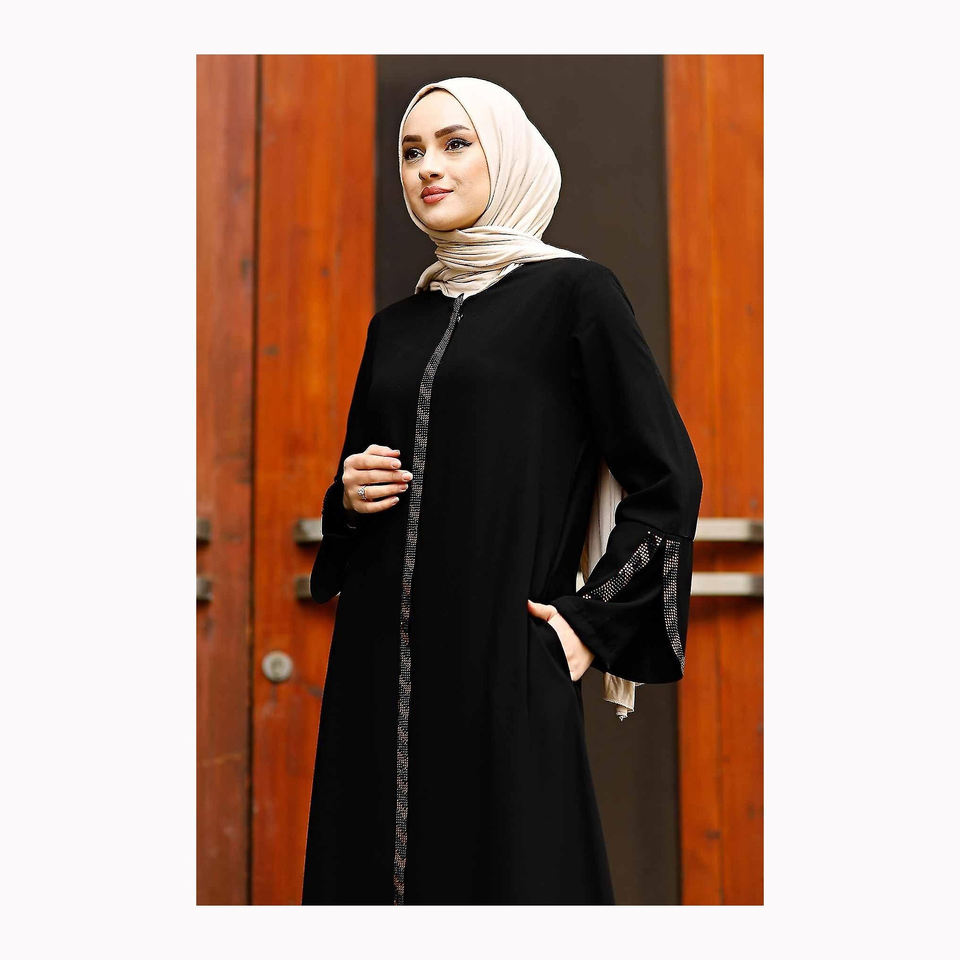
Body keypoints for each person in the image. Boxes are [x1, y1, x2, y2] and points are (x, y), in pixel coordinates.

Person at [301, 77, 703, 906]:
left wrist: (587, 627)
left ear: (509, 155)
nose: (427, 167)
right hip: (375, 665)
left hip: (504, 660)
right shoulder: (396, 326)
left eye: (456, 143)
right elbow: (360, 496)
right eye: (411, 151)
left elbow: (667, 477)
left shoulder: (573, 296)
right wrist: (345, 496)